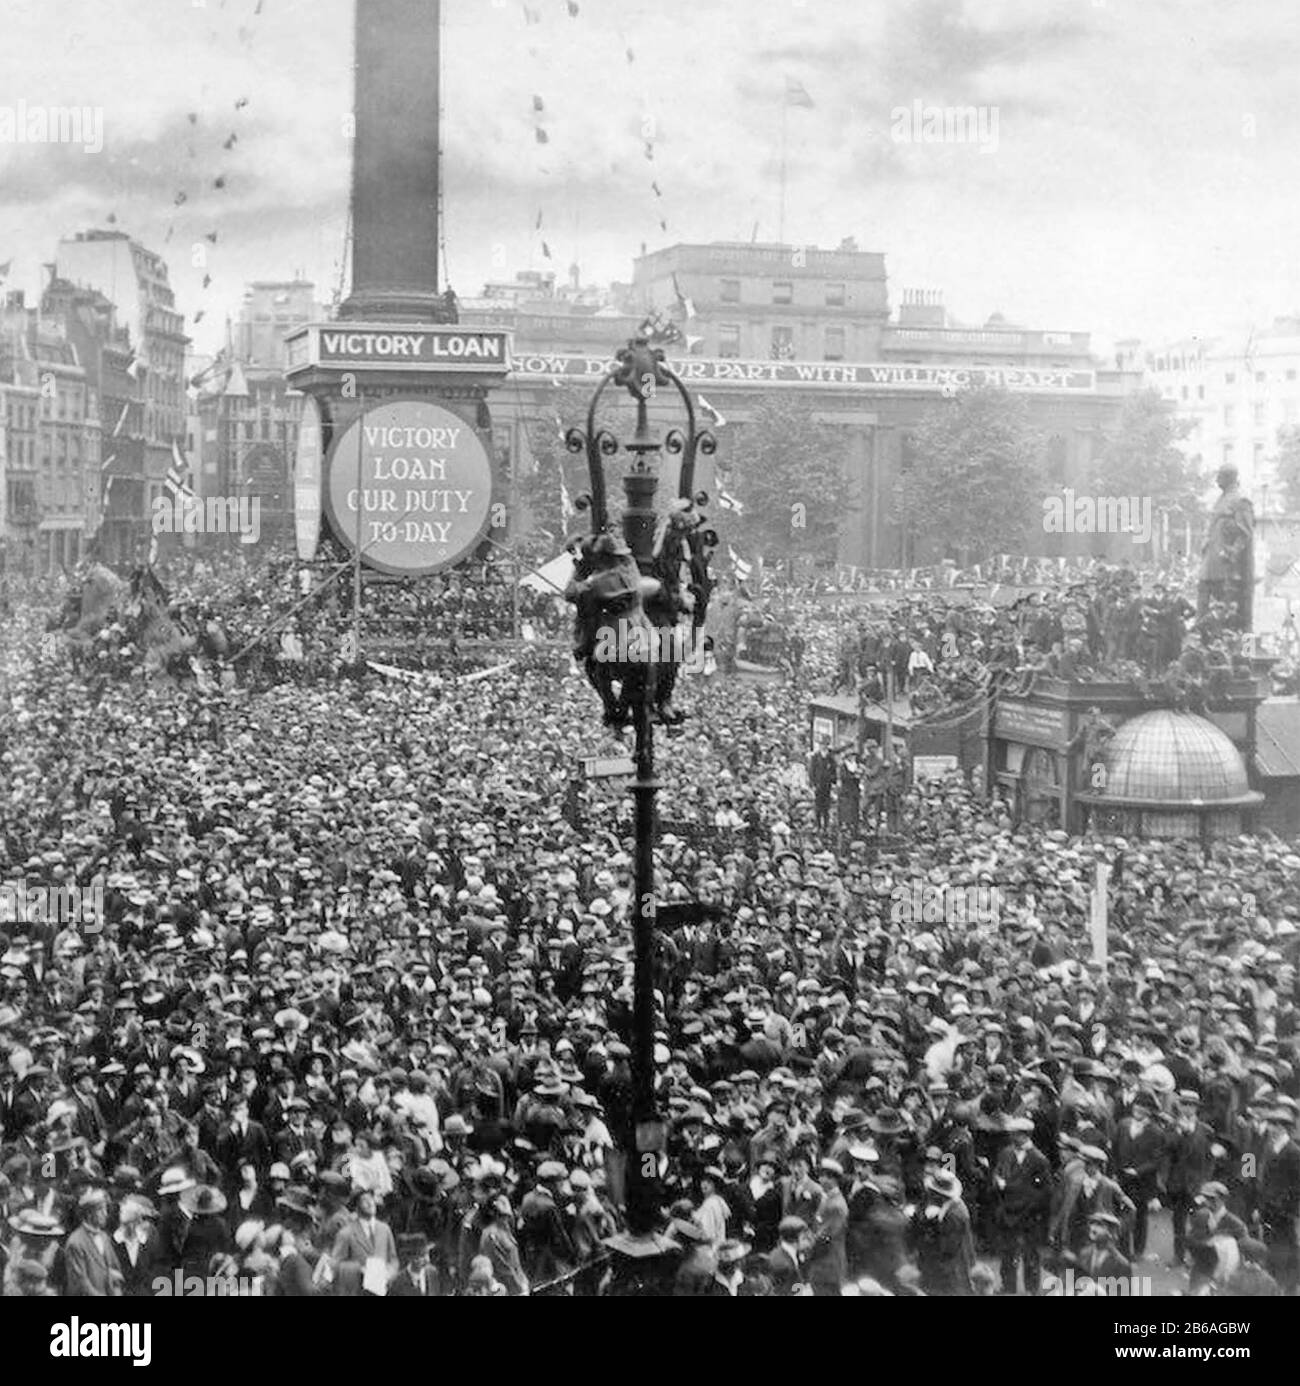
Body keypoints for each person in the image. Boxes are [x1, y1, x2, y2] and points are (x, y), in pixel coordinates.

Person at [994, 1116, 1050, 1295]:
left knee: (1030, 1254)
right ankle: (1008, 1287)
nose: (1011, 1137)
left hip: (1028, 1215)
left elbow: (1045, 1190)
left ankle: (1032, 1289)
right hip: (1007, 1212)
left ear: (1025, 1135)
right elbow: (997, 1173)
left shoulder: (1039, 1159)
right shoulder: (1005, 1153)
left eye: (1015, 1134)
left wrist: (1028, 1204)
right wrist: (997, 1183)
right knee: (1008, 1253)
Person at [63, 1188, 123, 1297]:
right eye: (100, 1210)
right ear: (89, 1213)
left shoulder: (104, 1237)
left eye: (105, 1210)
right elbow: (81, 1283)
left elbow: (115, 1269)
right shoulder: (75, 1242)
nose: (105, 1214)